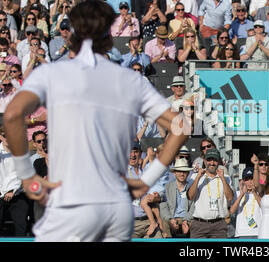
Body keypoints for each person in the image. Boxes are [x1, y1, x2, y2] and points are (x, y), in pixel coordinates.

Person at [2, 0, 187, 242]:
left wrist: (29, 179)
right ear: (108, 39)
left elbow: (13, 115)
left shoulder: (53, 74)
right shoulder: (127, 81)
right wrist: (145, 181)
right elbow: (181, 126)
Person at [187, 148, 234, 238]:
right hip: (199, 224)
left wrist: (222, 179)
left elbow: (230, 198)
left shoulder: (226, 177)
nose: (212, 163)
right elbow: (190, 196)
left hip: (218, 224)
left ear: (218, 161)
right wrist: (198, 177)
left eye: (215, 160)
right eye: (209, 160)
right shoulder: (195, 176)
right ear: (204, 161)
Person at [0, 126, 31, 236]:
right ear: (0, 137)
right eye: (5, 136)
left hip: (17, 194)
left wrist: (12, 190)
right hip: (1, 194)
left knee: (21, 225)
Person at [160, 158, 195, 238]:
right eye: (179, 171)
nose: (182, 174)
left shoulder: (192, 188)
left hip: (187, 219)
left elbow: (194, 207)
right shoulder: (167, 187)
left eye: (184, 171)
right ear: (174, 173)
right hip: (172, 218)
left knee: (196, 224)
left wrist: (186, 220)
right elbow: (163, 206)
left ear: (188, 173)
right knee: (165, 222)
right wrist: (170, 219)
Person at [229, 167, 262, 238]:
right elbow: (232, 211)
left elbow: (263, 207)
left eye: (252, 179)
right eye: (247, 179)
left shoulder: (259, 193)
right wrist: (241, 194)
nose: (250, 182)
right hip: (242, 233)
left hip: (257, 232)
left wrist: (254, 192)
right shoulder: (238, 193)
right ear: (243, 181)